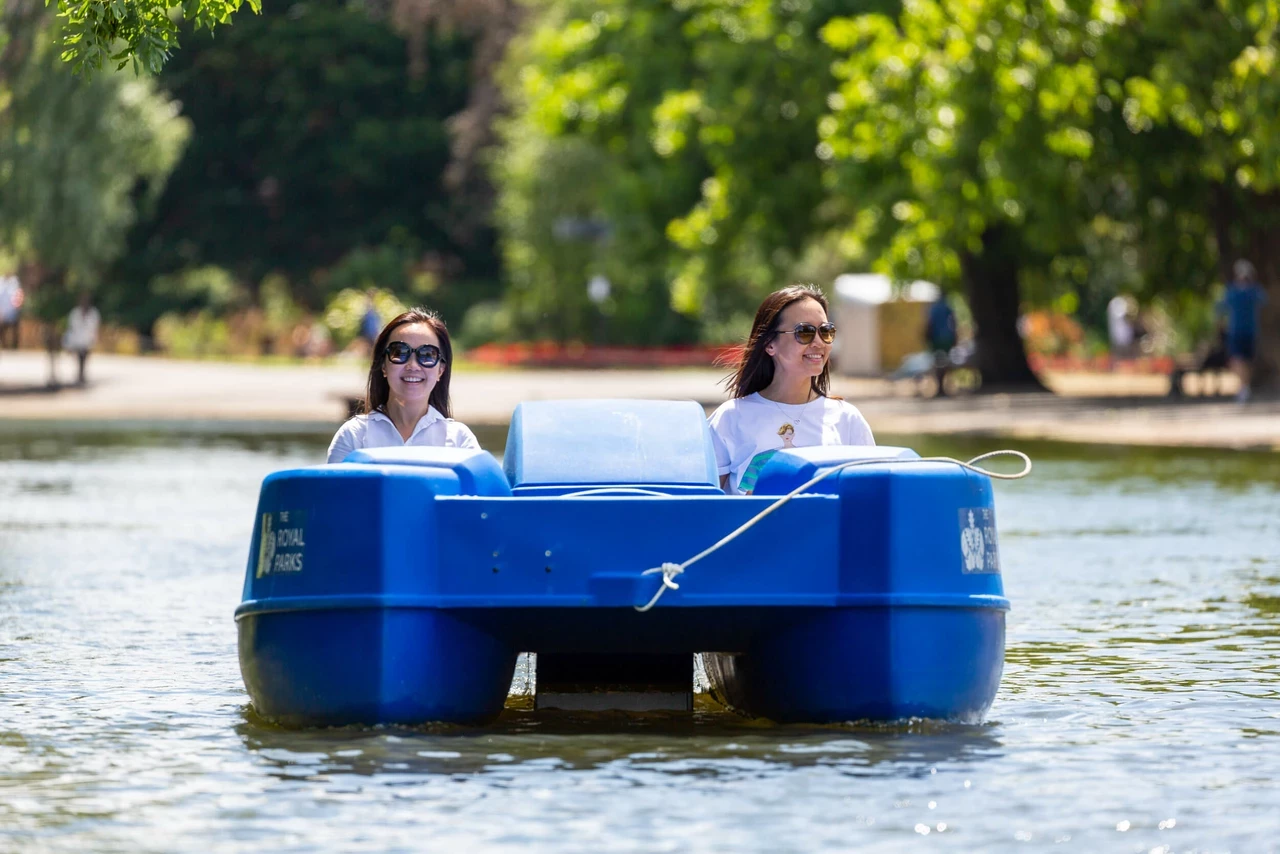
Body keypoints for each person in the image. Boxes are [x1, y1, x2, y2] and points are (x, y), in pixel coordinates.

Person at [708, 284, 875, 494]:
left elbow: (868, 498)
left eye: (826, 331)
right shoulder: (729, 418)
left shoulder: (848, 419)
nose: (818, 342)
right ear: (770, 344)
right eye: (804, 332)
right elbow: (706, 506)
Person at [327, 307, 480, 463]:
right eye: (399, 352)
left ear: (441, 369)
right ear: (383, 365)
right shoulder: (353, 435)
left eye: (427, 354)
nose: (413, 365)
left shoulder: (459, 441)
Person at [1216, 259, 1267, 402]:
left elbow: (1264, 300)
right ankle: (1244, 387)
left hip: (1249, 331)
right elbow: (1220, 308)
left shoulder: (1252, 291)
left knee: (1247, 360)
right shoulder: (1233, 292)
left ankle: (1245, 387)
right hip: (1236, 332)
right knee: (1236, 360)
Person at [64, 291, 101, 386]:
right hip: (77, 340)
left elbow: (95, 327)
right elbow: (71, 327)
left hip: (87, 340)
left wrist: (94, 339)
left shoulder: (93, 313)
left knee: (84, 358)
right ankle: (80, 375)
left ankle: (82, 375)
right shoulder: (75, 313)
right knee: (79, 358)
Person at [1107, 294, 1135, 367]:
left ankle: (1124, 365)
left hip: (1121, 330)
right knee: (1119, 349)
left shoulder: (1119, 302)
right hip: (1119, 330)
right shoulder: (1117, 302)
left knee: (1124, 349)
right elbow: (1121, 315)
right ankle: (1118, 365)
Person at [0, 274, 22, 349]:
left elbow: (18, 296)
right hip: (2, 312)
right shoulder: (1, 283)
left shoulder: (14, 282)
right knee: (2, 330)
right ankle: (4, 346)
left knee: (14, 330)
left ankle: (14, 347)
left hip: (13, 312)